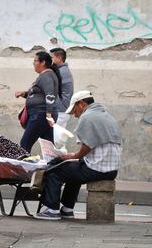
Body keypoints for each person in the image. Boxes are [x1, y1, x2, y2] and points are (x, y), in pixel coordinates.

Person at [34, 90, 122, 220]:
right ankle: (67, 209)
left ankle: (52, 210)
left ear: (81, 104)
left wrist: (74, 156)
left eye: (74, 110)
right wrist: (75, 158)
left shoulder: (87, 117)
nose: (75, 115)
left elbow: (87, 146)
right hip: (112, 170)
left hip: (97, 169)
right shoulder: (106, 116)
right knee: (73, 169)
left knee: (54, 172)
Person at [15, 51, 62, 153]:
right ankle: (51, 168)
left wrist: (48, 115)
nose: (33, 63)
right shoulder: (45, 75)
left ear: (43, 62)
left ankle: (23, 168)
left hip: (40, 114)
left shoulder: (47, 76)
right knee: (49, 147)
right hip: (42, 114)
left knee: (25, 144)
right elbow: (40, 94)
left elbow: (50, 95)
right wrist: (24, 94)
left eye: (35, 61)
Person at [49, 48, 74, 128]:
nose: (49, 60)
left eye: (51, 58)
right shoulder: (62, 70)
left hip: (59, 112)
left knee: (47, 138)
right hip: (62, 111)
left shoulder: (60, 72)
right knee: (58, 139)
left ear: (59, 58)